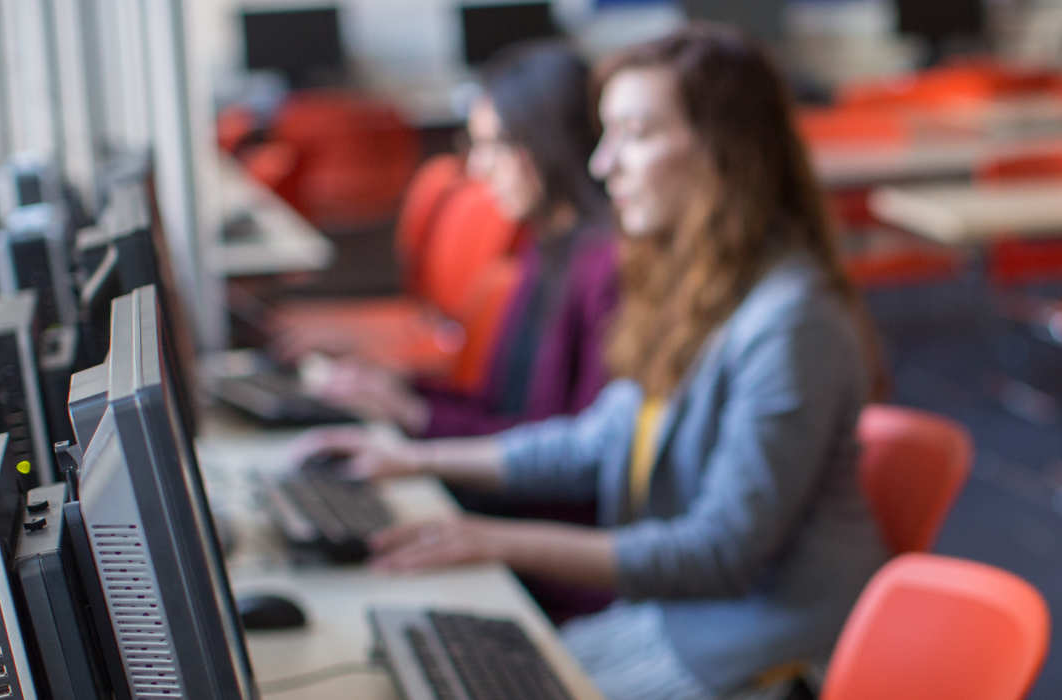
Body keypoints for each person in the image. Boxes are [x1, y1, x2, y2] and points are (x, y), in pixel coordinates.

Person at [290, 24, 890, 700]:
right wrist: (414, 457)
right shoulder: (692, 287)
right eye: (606, 136)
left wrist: (492, 539)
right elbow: (596, 440)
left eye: (635, 135)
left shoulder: (790, 322)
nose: (605, 165)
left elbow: (720, 554)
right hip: (670, 616)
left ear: (728, 153)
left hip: (757, 646)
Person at [286, 41, 620, 439]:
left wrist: (416, 414)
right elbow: (502, 407)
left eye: (495, 145)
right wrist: (399, 389)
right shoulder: (549, 246)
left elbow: (565, 456)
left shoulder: (603, 269)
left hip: (527, 499)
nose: (478, 169)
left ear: (548, 143)